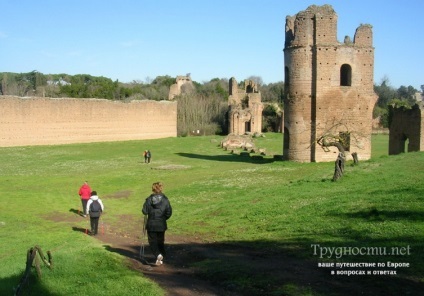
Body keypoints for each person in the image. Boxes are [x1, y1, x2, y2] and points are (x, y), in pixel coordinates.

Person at [142, 182, 172, 265]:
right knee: (160, 241)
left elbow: (144, 211)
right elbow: (169, 212)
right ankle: (161, 256)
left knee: (152, 241)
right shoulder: (165, 200)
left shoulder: (148, 200)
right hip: (161, 224)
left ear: (153, 189)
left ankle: (158, 255)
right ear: (161, 188)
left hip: (151, 224)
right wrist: (163, 219)